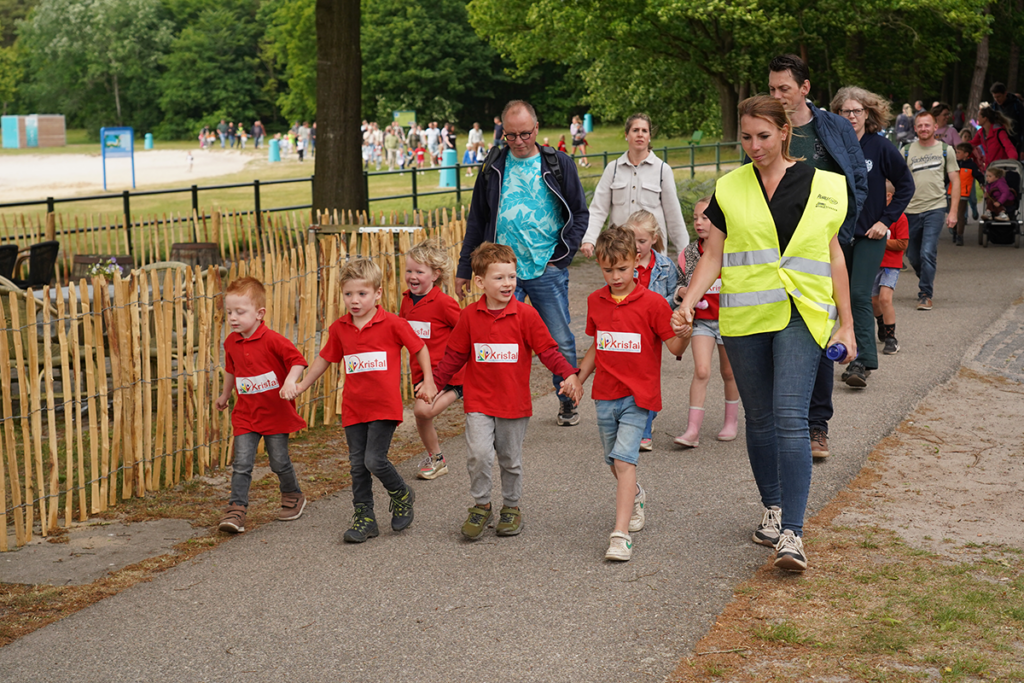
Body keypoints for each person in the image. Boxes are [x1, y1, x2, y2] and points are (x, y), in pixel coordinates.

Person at [678, 95, 857, 572]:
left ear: (784, 132)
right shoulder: (730, 187)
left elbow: (834, 256)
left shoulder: (825, 185)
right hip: (746, 316)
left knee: (789, 416)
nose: (754, 146)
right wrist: (689, 299)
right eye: (746, 137)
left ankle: (793, 535)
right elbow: (712, 255)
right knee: (758, 419)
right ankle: (773, 510)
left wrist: (848, 323)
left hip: (803, 313)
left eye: (763, 136)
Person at [427, 243, 583, 540]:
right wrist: (434, 383)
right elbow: (454, 356)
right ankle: (481, 504)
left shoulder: (526, 315)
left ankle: (511, 507)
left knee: (510, 459)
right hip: (479, 402)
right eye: (499, 278)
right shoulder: (470, 316)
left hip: (513, 403)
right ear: (480, 282)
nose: (507, 283)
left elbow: (549, 350)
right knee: (479, 455)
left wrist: (569, 374)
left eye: (511, 276)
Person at [457, 99, 590, 427]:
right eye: (510, 135)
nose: (518, 141)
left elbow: (579, 213)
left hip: (546, 267)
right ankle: (503, 405)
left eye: (525, 134)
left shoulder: (559, 164)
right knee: (499, 341)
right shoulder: (493, 165)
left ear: (537, 129)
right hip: (500, 272)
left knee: (558, 339)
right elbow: (477, 219)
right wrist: (464, 269)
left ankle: (567, 399)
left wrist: (563, 257)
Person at [285, 259, 436, 543]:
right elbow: (325, 359)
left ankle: (401, 493)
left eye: (362, 294)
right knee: (357, 465)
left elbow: (420, 348)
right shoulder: (340, 328)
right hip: (354, 408)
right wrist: (302, 384)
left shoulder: (393, 323)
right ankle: (365, 517)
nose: (354, 301)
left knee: (374, 460)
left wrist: (428, 380)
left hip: (384, 407)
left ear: (377, 294)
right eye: (348, 294)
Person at [767, 54, 867, 459]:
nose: (776, 96)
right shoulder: (768, 128)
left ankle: (816, 427)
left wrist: (840, 235)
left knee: (821, 333)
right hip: (774, 254)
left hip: (824, 253)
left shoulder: (835, 128)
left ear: (804, 88)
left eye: (784, 89)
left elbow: (856, 182)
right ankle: (784, 420)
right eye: (772, 89)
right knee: (779, 331)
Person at [575, 227, 689, 561]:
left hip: (639, 398)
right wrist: (578, 379)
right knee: (614, 460)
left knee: (625, 461)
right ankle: (636, 494)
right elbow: (598, 345)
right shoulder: (595, 301)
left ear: (637, 261)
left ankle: (620, 535)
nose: (615, 276)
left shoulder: (653, 304)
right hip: (605, 395)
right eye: (608, 269)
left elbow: (673, 346)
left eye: (622, 269)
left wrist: (686, 330)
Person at [829, 86, 914, 389]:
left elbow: (905, 185)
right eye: (845, 111)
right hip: (836, 235)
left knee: (858, 294)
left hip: (870, 234)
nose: (851, 116)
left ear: (867, 113)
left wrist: (886, 221)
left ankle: (861, 361)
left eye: (857, 111)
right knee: (836, 296)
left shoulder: (880, 147)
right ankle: (844, 351)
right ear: (836, 114)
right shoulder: (830, 146)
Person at [215, 277, 308, 534]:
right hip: (246, 414)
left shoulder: (273, 340)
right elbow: (231, 371)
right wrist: (225, 396)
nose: (233, 318)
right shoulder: (231, 342)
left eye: (240, 312)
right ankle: (236, 509)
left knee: (278, 461)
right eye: (229, 312)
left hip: (275, 414)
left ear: (259, 314)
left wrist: (290, 382)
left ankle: (292, 495)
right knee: (242, 463)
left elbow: (298, 361)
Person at [674, 197, 740, 448]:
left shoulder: (732, 248)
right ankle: (692, 430)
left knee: (729, 372)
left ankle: (731, 422)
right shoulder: (689, 253)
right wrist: (682, 293)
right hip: (701, 321)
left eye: (705, 217)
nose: (699, 223)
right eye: (695, 218)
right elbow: (678, 283)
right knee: (701, 371)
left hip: (729, 319)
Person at [400, 238, 464, 481]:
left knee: (422, 411)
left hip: (448, 373)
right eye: (409, 270)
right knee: (420, 414)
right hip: (422, 375)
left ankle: (461, 389)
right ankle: (436, 459)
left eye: (419, 271)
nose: (412, 276)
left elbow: (466, 330)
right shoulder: (406, 301)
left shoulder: (444, 304)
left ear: (436, 274)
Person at [581, 113, 690, 257]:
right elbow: (598, 209)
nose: (640, 134)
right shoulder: (613, 169)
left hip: (652, 255)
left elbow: (674, 216)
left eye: (644, 131)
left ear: (650, 136)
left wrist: (685, 255)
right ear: (626, 135)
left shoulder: (662, 170)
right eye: (635, 130)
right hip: (619, 252)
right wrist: (589, 239)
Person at [617, 210, 677, 451]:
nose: (637, 246)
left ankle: (644, 428)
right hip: (628, 330)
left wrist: (669, 305)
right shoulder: (623, 264)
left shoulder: (665, 265)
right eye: (631, 240)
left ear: (653, 238)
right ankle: (633, 419)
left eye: (641, 241)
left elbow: (674, 294)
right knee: (629, 376)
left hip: (653, 332)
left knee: (647, 377)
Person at [904, 110, 960, 311]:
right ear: (915, 128)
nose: (923, 129)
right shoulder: (907, 151)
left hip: (935, 208)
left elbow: (955, 180)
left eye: (927, 125)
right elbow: (896, 181)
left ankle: (925, 294)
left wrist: (953, 212)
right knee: (912, 255)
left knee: (928, 251)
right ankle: (925, 277)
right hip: (910, 210)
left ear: (935, 127)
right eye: (920, 125)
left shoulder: (946, 150)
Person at [873, 180, 909, 356]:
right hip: (873, 263)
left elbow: (902, 243)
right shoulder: (873, 214)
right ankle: (881, 323)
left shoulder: (899, 217)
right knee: (873, 301)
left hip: (890, 265)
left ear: (888, 196)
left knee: (885, 299)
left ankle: (891, 339)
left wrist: (881, 242)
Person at [950, 143, 984, 244]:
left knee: (960, 215)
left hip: (963, 193)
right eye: (956, 152)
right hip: (951, 193)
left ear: (966, 154)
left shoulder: (971, 165)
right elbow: (947, 177)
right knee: (953, 214)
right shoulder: (953, 163)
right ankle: (955, 232)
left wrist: (982, 183)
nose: (956, 154)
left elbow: (979, 175)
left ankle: (960, 236)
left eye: (958, 152)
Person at [989, 82, 1024, 155]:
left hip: (1016, 143)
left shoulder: (1016, 105)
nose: (997, 99)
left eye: (998, 96)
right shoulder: (994, 107)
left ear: (1005, 93)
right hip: (1000, 144)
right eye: (994, 97)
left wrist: (1022, 149)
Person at [960, 127, 983, 221]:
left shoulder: (974, 150)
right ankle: (964, 216)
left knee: (972, 197)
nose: (967, 139)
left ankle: (974, 208)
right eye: (965, 136)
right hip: (960, 177)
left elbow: (978, 161)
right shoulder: (957, 150)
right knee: (962, 197)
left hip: (970, 176)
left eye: (969, 137)